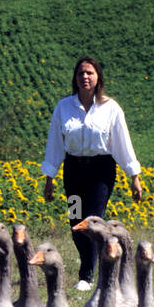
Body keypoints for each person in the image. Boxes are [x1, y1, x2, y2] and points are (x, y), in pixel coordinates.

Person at [41, 57, 144, 290]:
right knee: (76, 221)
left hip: (101, 172)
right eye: (80, 73)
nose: (85, 77)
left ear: (98, 78)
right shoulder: (63, 107)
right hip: (74, 171)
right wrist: (50, 179)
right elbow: (55, 144)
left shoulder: (111, 108)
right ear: (75, 79)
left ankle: (87, 275)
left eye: (90, 73)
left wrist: (134, 177)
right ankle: (94, 266)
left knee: (93, 220)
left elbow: (122, 144)